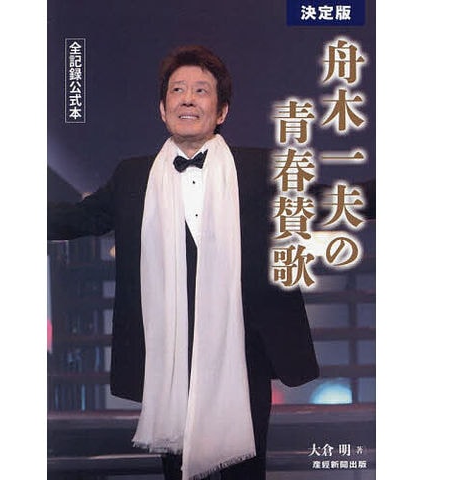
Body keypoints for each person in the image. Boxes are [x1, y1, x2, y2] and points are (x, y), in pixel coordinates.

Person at [48, 45, 319, 480]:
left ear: (222, 111)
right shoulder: (133, 176)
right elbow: (81, 218)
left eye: (201, 90)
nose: (187, 99)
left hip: (243, 352)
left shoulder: (260, 168)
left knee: (245, 472)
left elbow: (326, 202)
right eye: (177, 90)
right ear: (162, 108)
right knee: (176, 471)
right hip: (168, 355)